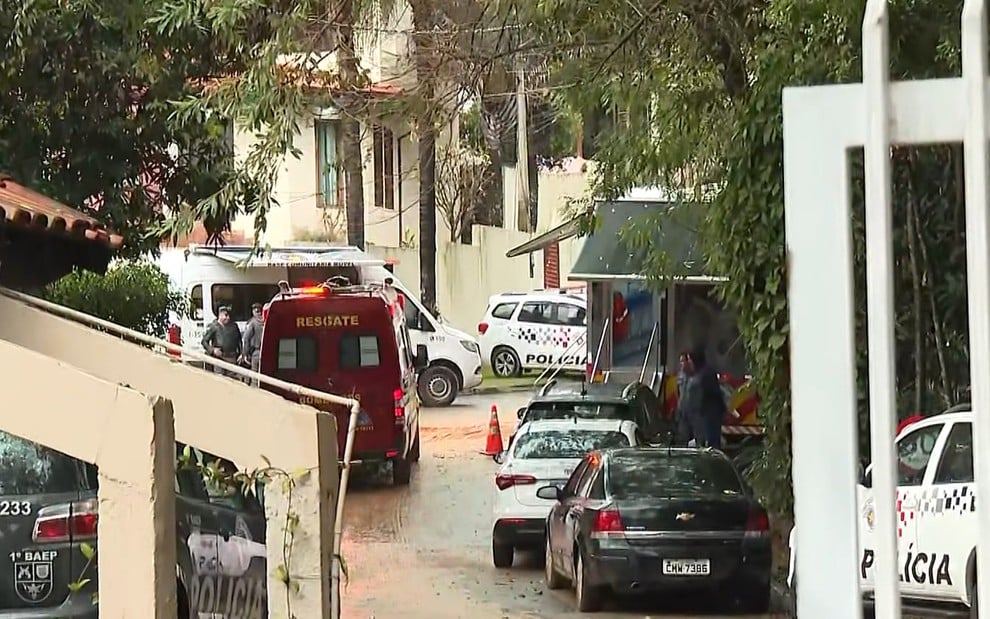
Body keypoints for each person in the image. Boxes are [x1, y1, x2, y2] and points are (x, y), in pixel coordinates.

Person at [679, 346, 727, 450]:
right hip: (700, 418)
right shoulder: (694, 375)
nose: (688, 362)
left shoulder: (703, 376)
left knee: (709, 446)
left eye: (689, 359)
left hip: (706, 418)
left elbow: (698, 400)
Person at [201, 306, 242, 377]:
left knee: (232, 381)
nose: (228, 318)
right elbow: (204, 341)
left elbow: (239, 341)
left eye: (229, 315)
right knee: (220, 380)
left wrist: (241, 354)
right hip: (219, 358)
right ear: (220, 315)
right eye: (225, 315)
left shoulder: (234, 326)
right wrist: (212, 350)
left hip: (232, 358)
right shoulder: (214, 326)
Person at [241, 303, 265, 380]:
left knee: (255, 376)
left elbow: (246, 338)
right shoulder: (268, 320)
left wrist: (245, 353)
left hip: (256, 353)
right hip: (268, 353)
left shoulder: (253, 322)